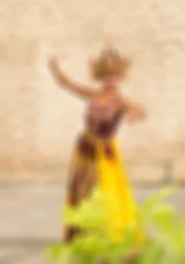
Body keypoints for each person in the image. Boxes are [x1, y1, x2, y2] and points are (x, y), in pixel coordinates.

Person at [48, 44, 147, 242]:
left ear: (119, 79)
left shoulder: (120, 101)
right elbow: (69, 84)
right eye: (107, 77)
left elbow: (141, 111)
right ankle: (82, 230)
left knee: (105, 188)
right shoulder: (94, 95)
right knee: (83, 187)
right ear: (102, 78)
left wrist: (132, 117)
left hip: (105, 151)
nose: (110, 81)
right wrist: (55, 68)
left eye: (114, 77)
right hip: (85, 147)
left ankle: (108, 229)